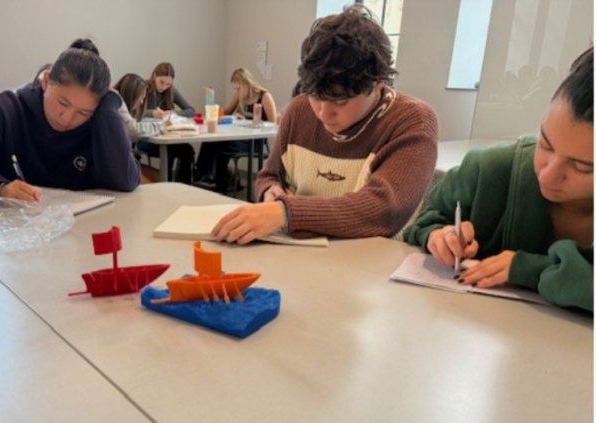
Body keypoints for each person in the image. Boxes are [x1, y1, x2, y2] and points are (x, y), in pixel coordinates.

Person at [211, 5, 438, 244]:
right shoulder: (299, 110)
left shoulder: (413, 120)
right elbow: (269, 175)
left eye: (340, 101)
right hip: (299, 255)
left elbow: (385, 209)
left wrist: (286, 212)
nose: (323, 113)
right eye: (316, 96)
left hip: (373, 267)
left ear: (379, 82)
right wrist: (270, 191)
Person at [404, 47, 594, 312]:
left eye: (584, 167)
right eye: (546, 144)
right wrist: (438, 236)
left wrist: (527, 270)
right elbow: (423, 224)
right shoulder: (490, 169)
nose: (548, 174)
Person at [0, 39, 140, 204]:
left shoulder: (98, 121)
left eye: (83, 112)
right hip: (12, 233)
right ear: (46, 81)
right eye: (62, 103)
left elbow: (126, 181)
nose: (67, 118)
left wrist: (108, 108)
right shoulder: (1, 111)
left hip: (78, 233)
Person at [194, 68, 278, 193]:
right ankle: (202, 175)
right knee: (209, 140)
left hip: (255, 142)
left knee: (221, 144)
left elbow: (274, 124)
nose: (236, 92)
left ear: (247, 84)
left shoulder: (265, 96)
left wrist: (248, 119)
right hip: (241, 137)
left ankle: (218, 183)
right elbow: (227, 111)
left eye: (238, 88)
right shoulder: (241, 95)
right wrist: (213, 110)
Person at [113, 73, 195, 184]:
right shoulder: (120, 103)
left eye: (168, 84)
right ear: (155, 76)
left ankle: (182, 185)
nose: (164, 86)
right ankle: (171, 185)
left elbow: (191, 110)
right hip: (133, 149)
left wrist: (172, 113)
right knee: (166, 159)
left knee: (187, 150)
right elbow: (134, 128)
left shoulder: (169, 91)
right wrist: (155, 117)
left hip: (126, 154)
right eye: (162, 82)